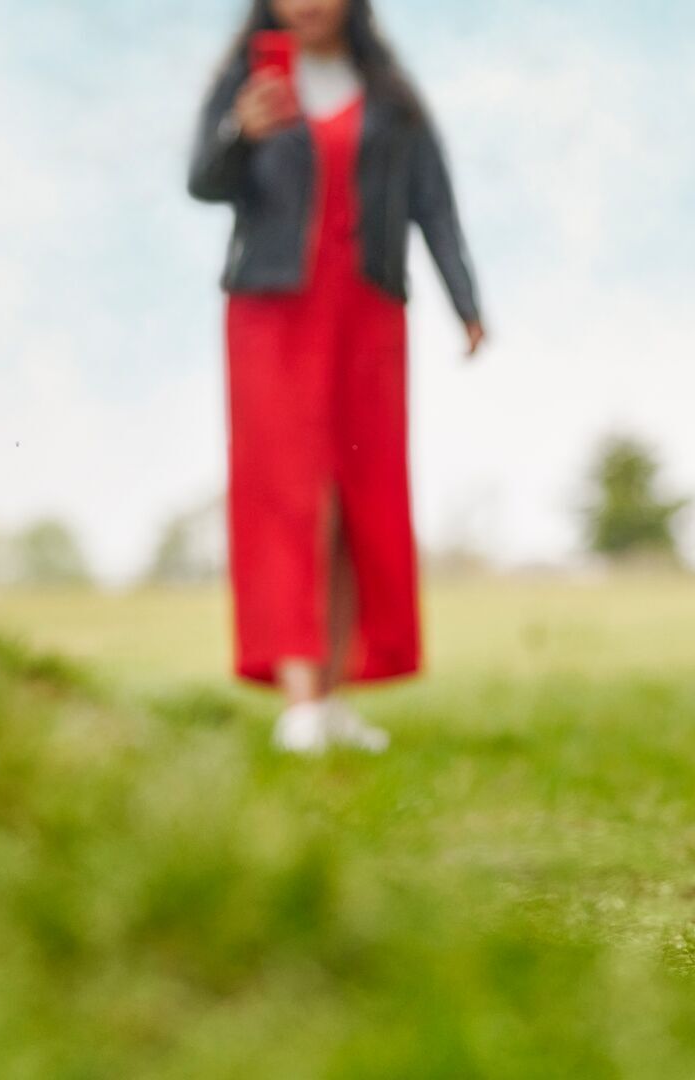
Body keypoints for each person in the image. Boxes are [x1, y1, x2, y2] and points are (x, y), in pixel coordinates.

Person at [188, 0, 484, 754]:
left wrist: (466, 302)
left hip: (368, 315)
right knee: (290, 497)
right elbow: (203, 181)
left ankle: (336, 696)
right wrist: (238, 134)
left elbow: (434, 203)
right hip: (272, 315)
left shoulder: (391, 94)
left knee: (360, 501)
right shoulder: (246, 81)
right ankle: (298, 700)